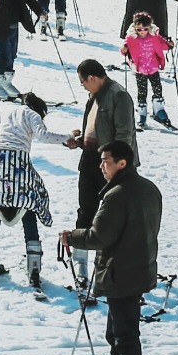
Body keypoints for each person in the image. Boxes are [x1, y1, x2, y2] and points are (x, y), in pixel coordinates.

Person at [58, 143, 162, 355]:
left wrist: (72, 236)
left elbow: (98, 236)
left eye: (106, 161)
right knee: (116, 329)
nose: (101, 166)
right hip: (139, 268)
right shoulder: (149, 188)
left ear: (122, 163)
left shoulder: (116, 195)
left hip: (122, 271)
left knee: (124, 333)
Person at [0, 91, 54, 289]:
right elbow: (43, 135)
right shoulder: (32, 115)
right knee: (29, 203)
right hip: (19, 165)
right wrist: (68, 139)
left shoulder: (6, 112)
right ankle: (34, 264)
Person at [65, 58, 138, 236]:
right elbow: (97, 129)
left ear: (91, 78)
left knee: (112, 215)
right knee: (85, 212)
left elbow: (124, 135)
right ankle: (80, 258)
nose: (83, 86)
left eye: (82, 82)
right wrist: (82, 140)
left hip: (111, 165)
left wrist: (116, 164)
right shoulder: (94, 97)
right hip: (90, 161)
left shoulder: (118, 95)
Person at [122, 12, 174, 130]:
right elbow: (125, 48)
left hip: (153, 67)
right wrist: (124, 50)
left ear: (149, 27)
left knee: (157, 88)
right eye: (139, 29)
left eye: (145, 29)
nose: (142, 32)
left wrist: (170, 45)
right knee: (142, 91)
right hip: (140, 69)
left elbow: (164, 45)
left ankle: (159, 110)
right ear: (135, 28)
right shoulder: (131, 38)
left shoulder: (154, 37)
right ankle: (142, 114)